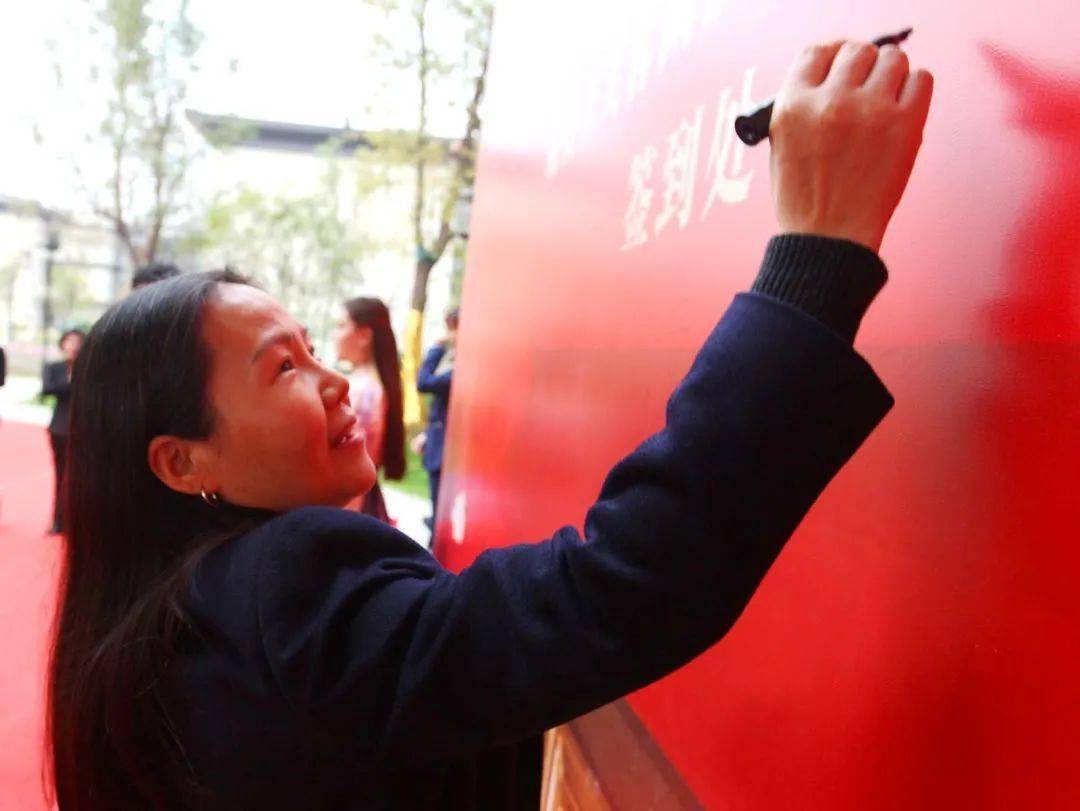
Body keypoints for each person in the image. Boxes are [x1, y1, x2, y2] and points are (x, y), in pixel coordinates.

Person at [48, 40, 933, 810]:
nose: (328, 381)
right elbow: (619, 589)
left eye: (313, 346)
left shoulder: (158, 632)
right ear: (179, 459)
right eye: (281, 367)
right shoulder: (283, 587)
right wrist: (816, 260)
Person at [334, 296, 406, 522]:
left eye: (341, 325)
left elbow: (350, 468)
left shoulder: (363, 392)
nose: (335, 334)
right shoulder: (367, 386)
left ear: (364, 335)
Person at [416, 306, 458, 526]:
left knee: (441, 517)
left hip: (446, 452)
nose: (451, 336)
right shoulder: (452, 361)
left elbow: (424, 382)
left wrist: (434, 349)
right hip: (439, 444)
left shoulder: (458, 367)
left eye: (454, 329)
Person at [41, 328, 84, 534]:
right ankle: (59, 520)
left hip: (84, 429)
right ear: (63, 344)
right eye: (69, 341)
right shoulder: (54, 367)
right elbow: (48, 389)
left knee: (82, 477)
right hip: (60, 428)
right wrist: (71, 378)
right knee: (62, 475)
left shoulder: (89, 370)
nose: (73, 346)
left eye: (78, 342)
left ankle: (79, 521)